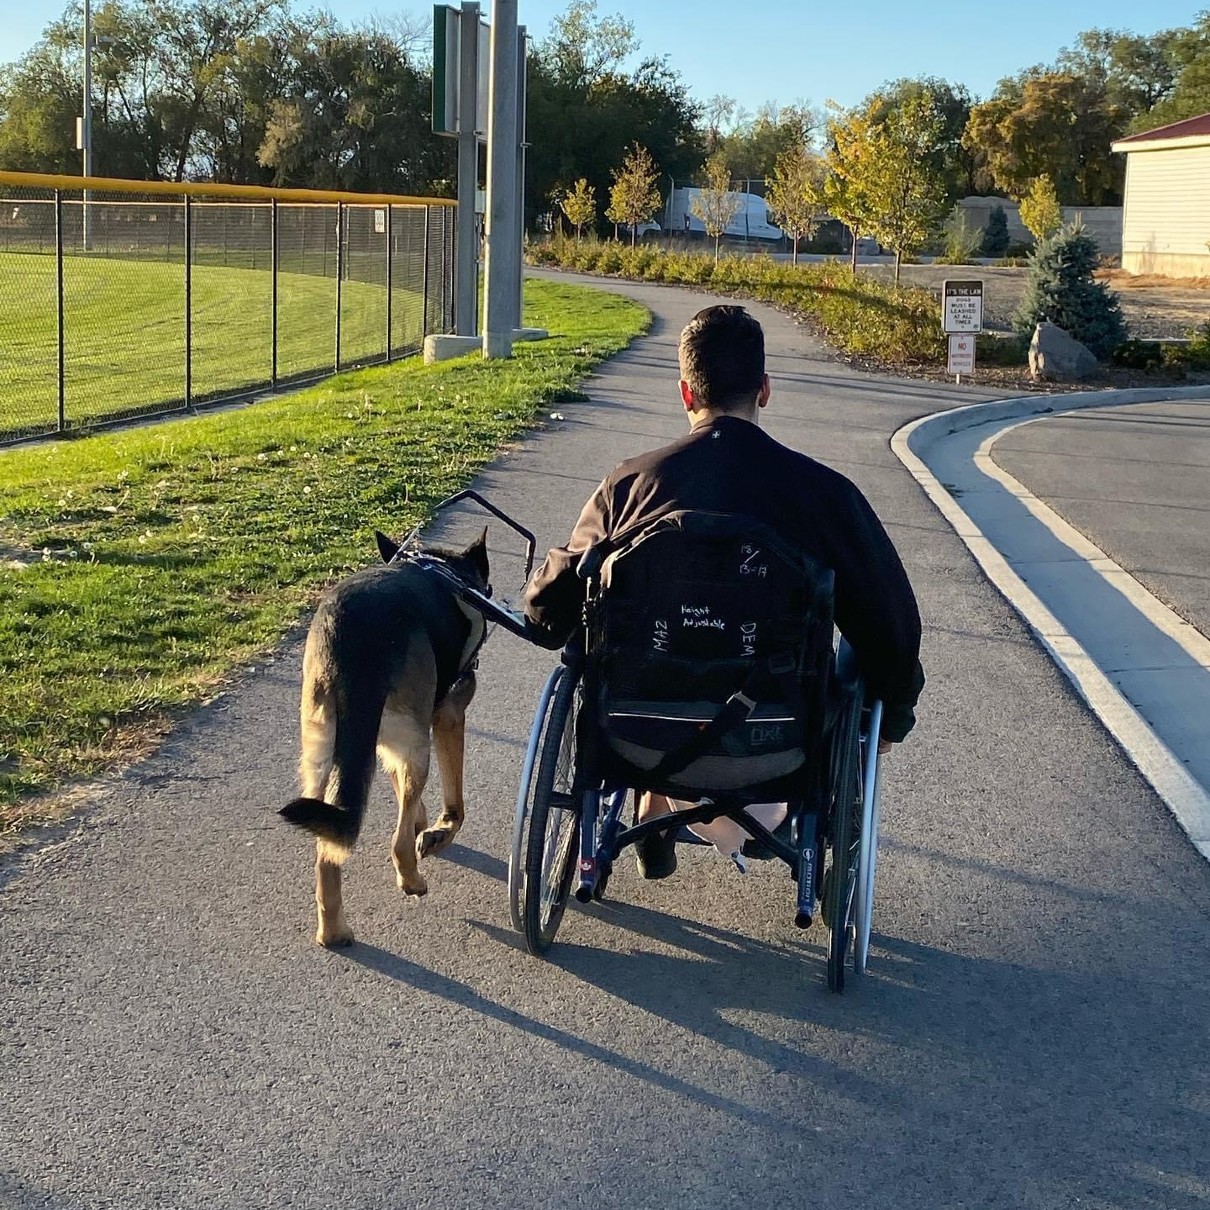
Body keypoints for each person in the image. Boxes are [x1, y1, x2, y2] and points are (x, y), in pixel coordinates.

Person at [523, 304, 924, 879]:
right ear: (764, 390)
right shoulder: (825, 496)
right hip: (778, 739)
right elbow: (893, 625)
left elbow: (555, 605)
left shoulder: (630, 485)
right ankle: (773, 818)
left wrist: (542, 608)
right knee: (865, 629)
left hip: (637, 732)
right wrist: (893, 716)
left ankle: (654, 800)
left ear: (686, 394)